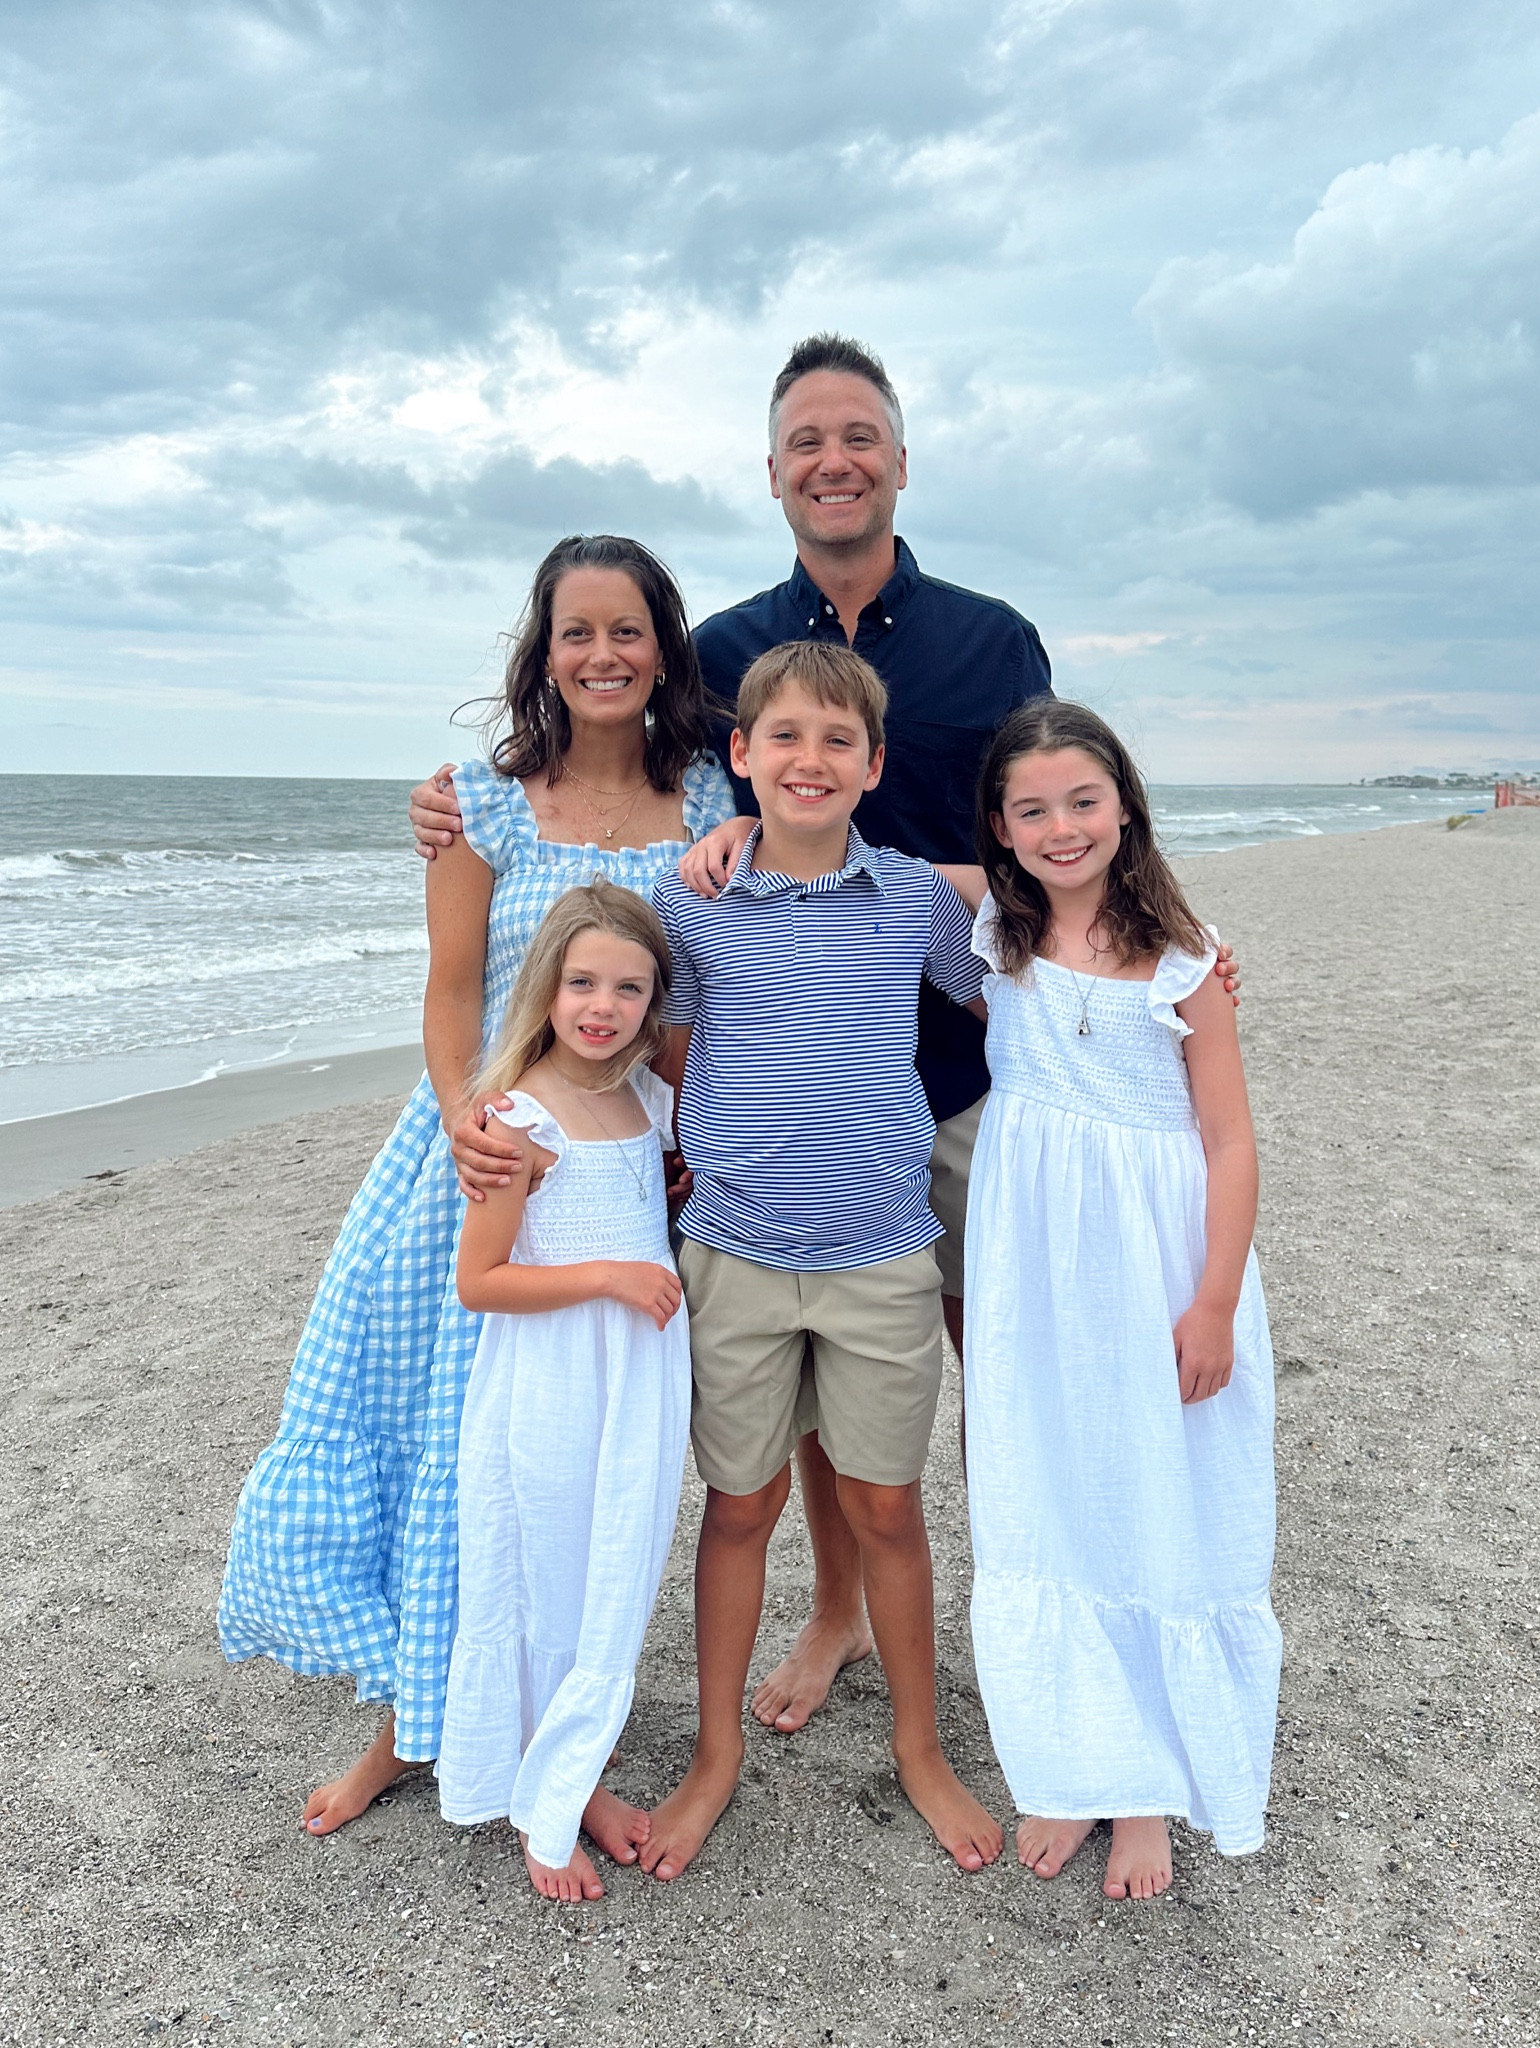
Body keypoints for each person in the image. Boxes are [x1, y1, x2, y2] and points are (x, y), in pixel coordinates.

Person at [411, 335, 1235, 1735]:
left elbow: (1055, 819)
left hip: (964, 1072)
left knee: (998, 1362)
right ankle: (837, 1609)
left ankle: (1041, 1626)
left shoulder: (991, 637)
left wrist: (1158, 950)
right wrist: (456, 806)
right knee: (798, 1389)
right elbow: (637, 786)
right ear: (772, 471)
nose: (833, 460)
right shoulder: (726, 649)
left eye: (858, 436)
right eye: (806, 440)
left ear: (899, 460)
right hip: (775, 1090)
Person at [217, 535, 735, 1869]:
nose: (603, 654)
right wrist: (467, 1121)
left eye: (627, 630)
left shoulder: (710, 799)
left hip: (621, 1174)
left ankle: (563, 1739)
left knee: (567, 1473)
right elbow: (452, 993)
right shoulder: (479, 804)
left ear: (664, 648)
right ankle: (409, 1725)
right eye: (577, 632)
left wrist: (687, 1136)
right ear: (543, 653)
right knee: (436, 1452)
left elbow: (701, 994)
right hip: (483, 1163)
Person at [635, 641, 1004, 1882]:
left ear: (874, 763)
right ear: (740, 753)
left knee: (887, 1505)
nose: (811, 758)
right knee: (739, 1505)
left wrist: (1172, 1004)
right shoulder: (690, 898)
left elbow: (1003, 997)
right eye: (784, 735)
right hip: (732, 1253)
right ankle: (715, 1752)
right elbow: (663, 1040)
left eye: (837, 739)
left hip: (885, 1256)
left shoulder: (911, 897)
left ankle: (919, 1744)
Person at [961, 698, 1281, 1899]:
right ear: (1000, 825)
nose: (1061, 827)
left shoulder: (1186, 959)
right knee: (1048, 1486)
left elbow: (1230, 1140)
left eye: (1083, 801)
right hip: (1033, 1272)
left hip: (1159, 1264)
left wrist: (1212, 1302)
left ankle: (1145, 1784)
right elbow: (846, 852)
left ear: (1126, 806)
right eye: (1031, 808)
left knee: (1153, 1490)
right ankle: (1074, 1755)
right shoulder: (995, 926)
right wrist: (730, 836)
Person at [439, 881, 689, 1904]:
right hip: (551, 1377)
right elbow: (480, 1280)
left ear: (654, 1001)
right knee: (545, 1574)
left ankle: (573, 1766)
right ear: (546, 985)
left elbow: (647, 1196)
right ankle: (549, 1801)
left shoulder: (648, 1100)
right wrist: (609, 1274)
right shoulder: (515, 1119)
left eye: (629, 988)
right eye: (582, 982)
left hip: (638, 1377)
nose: (602, 1006)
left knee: (614, 1568)